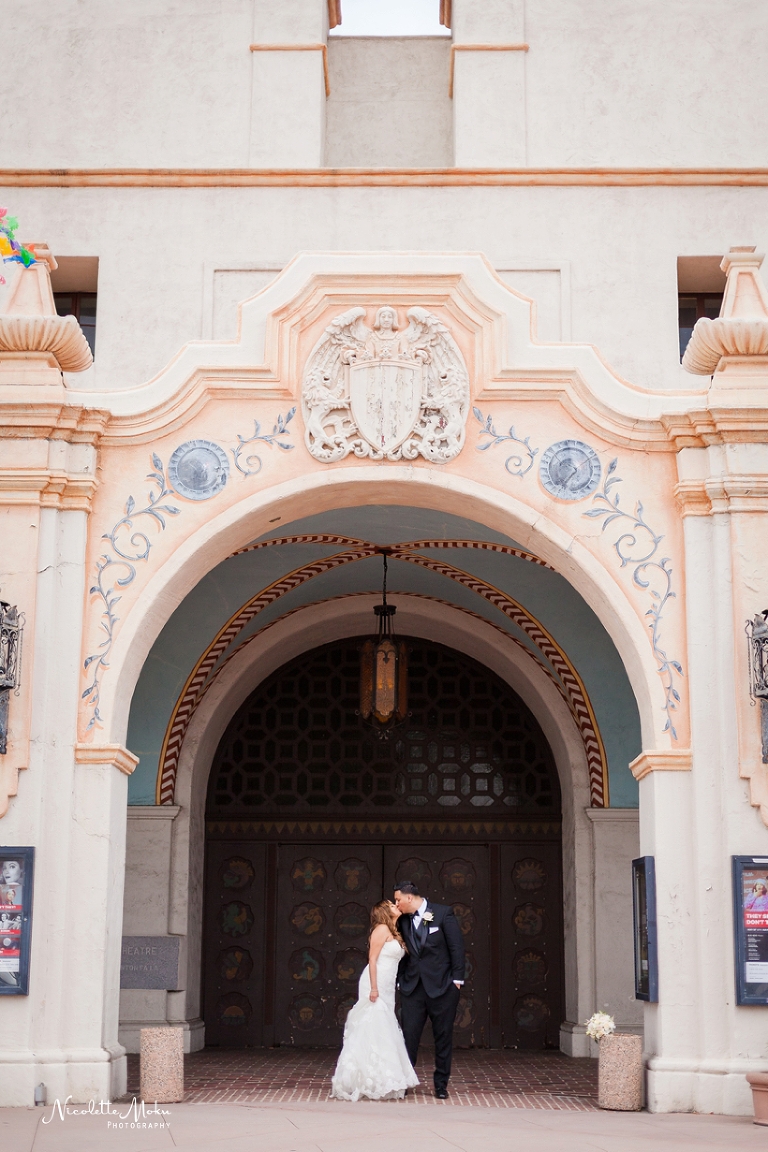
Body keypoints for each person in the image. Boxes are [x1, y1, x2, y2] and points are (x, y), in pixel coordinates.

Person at [331, 899, 418, 1102]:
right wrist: (374, 987)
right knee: (374, 1026)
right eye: (391, 905)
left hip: (387, 984)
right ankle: (366, 1079)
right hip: (375, 980)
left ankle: (382, 1078)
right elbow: (372, 959)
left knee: (385, 1026)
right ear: (384, 912)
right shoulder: (380, 929)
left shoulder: (394, 930)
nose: (395, 905)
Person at [394, 880, 465, 1099]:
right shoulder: (403, 920)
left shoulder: (443, 914)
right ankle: (405, 1081)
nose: (396, 905)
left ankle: (441, 1085)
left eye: (398, 900)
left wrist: (457, 981)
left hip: (442, 987)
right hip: (413, 988)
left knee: (443, 1037)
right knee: (409, 1036)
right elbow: (403, 951)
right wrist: (399, 980)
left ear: (409, 898)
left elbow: (456, 947)